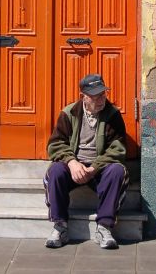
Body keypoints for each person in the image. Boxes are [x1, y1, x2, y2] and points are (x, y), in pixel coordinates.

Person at [43, 73, 129, 249]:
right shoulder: (69, 113)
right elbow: (55, 144)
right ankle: (60, 226)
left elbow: (118, 148)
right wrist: (72, 162)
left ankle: (104, 227)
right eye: (95, 96)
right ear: (83, 97)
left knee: (118, 171)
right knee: (55, 171)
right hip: (75, 166)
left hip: (99, 168)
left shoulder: (112, 115)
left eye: (103, 95)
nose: (101, 100)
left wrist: (95, 167)